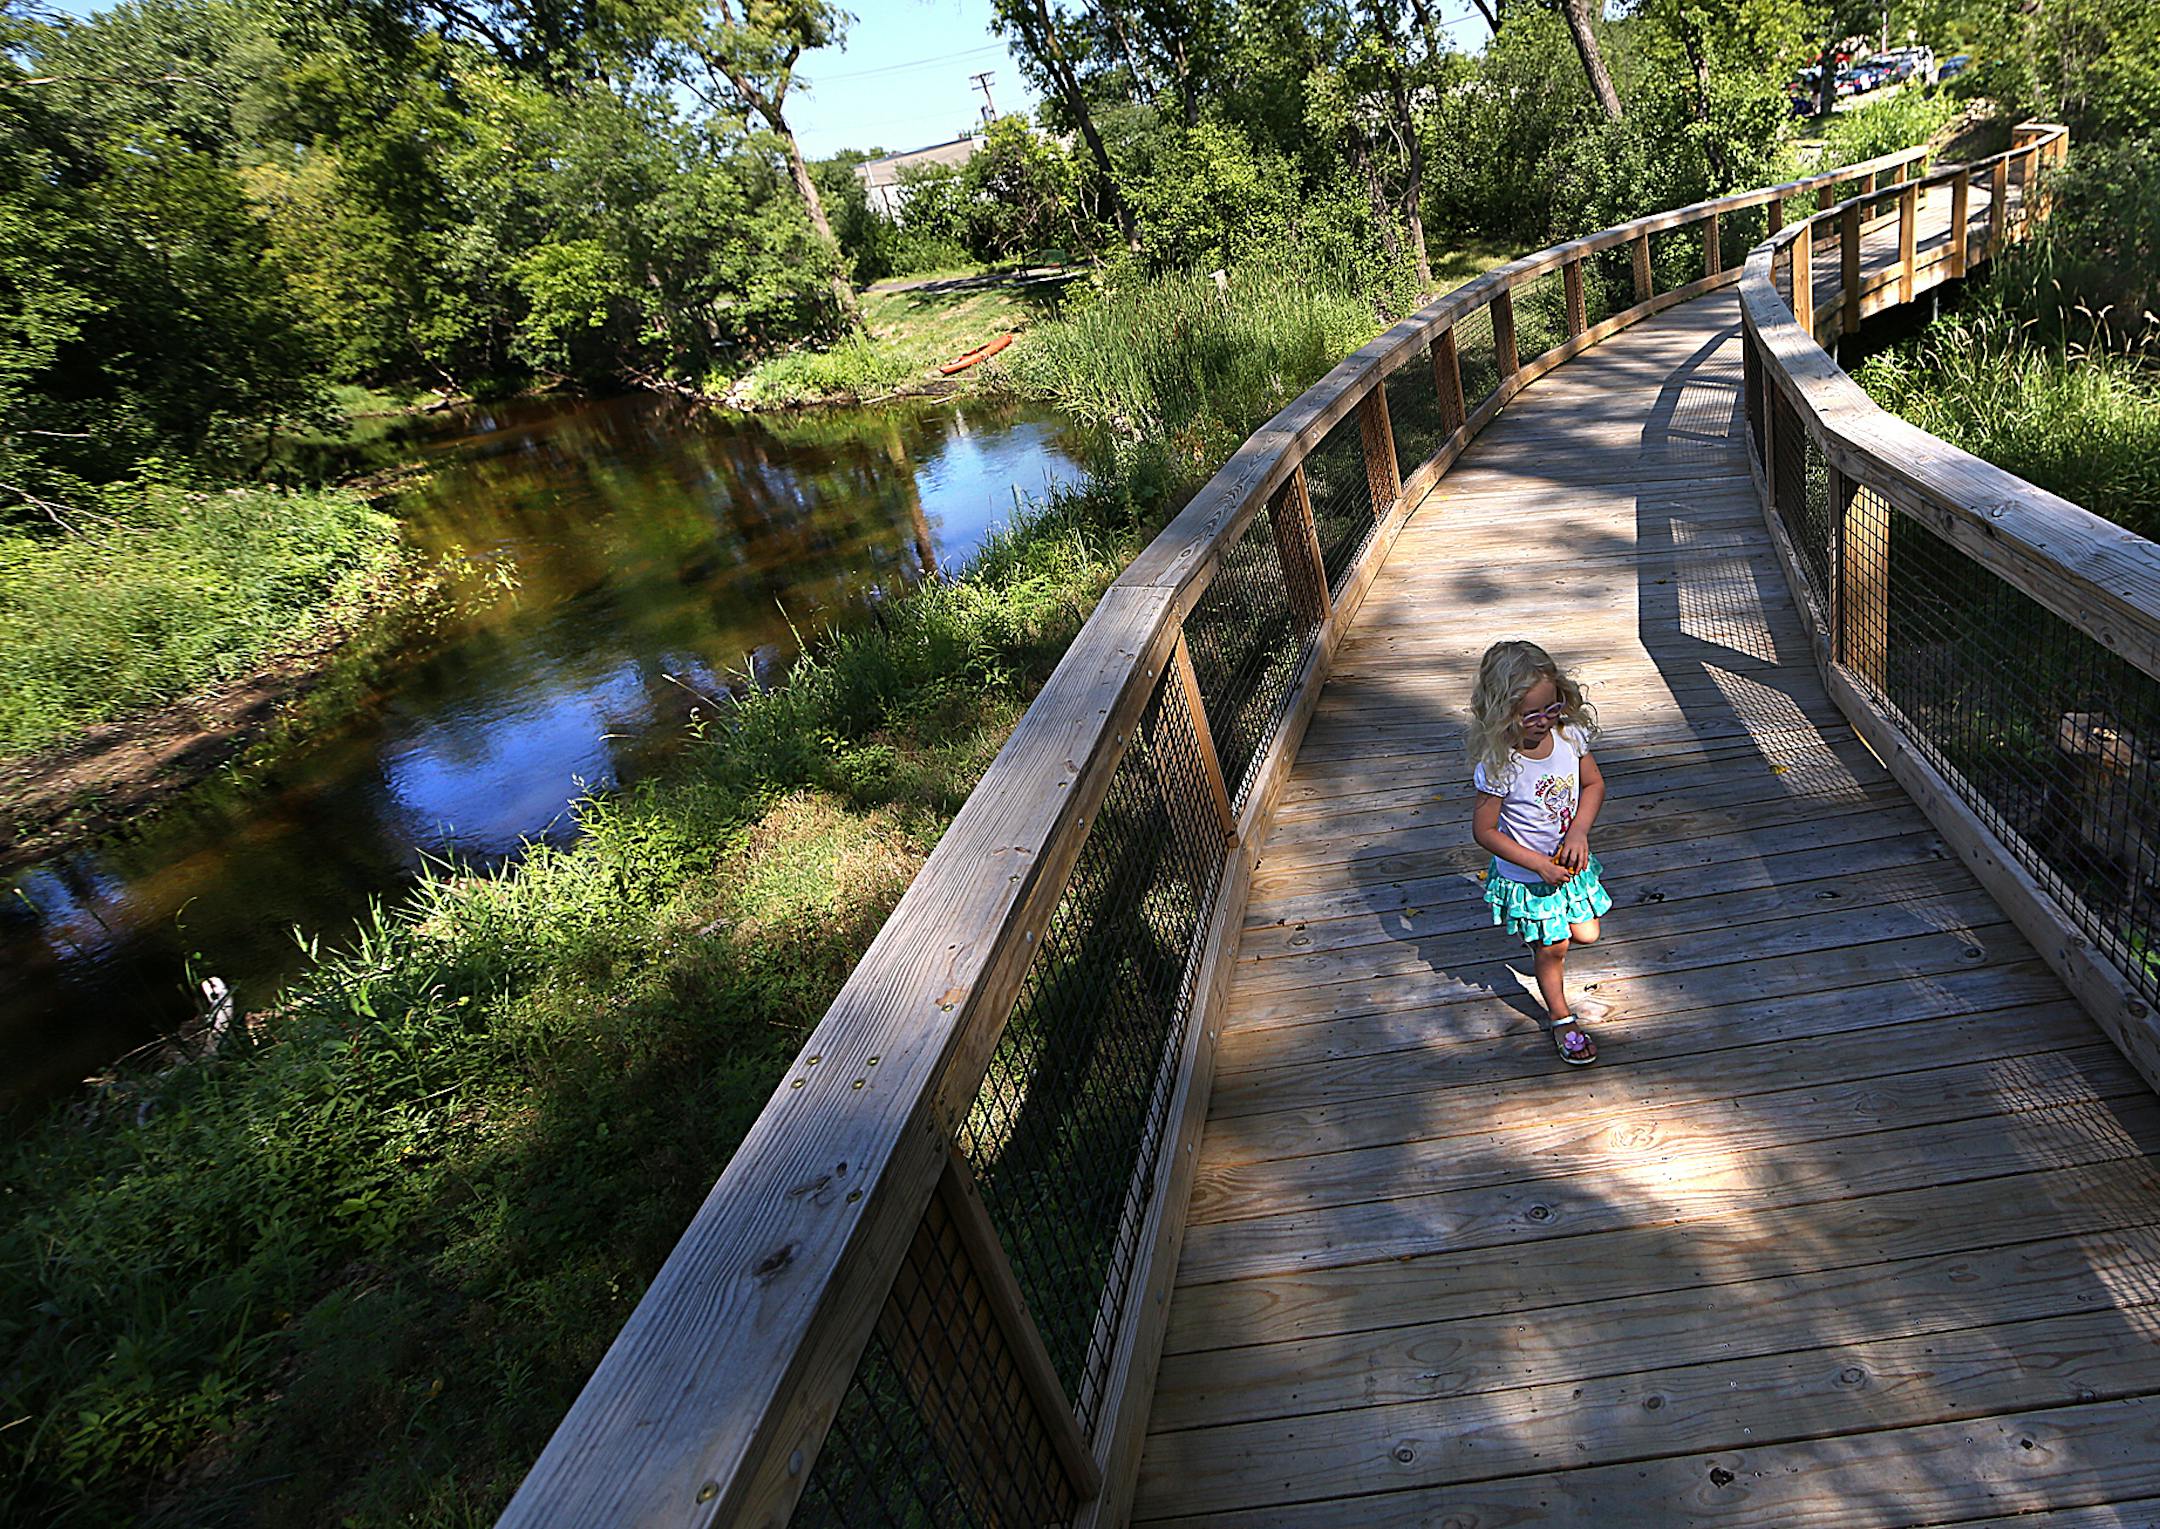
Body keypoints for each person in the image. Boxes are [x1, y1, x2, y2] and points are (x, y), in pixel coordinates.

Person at [1468, 640, 1614, 1065]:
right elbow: (1484, 831)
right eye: (1530, 714)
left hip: (1571, 862)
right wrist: (1536, 865)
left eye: (1551, 708)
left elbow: (1594, 785)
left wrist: (1580, 833)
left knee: (1587, 933)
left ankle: (1547, 951)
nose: (1544, 721)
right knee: (1554, 948)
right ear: (1501, 712)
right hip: (1531, 876)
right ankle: (1561, 1018)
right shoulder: (1501, 765)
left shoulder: (1569, 737)